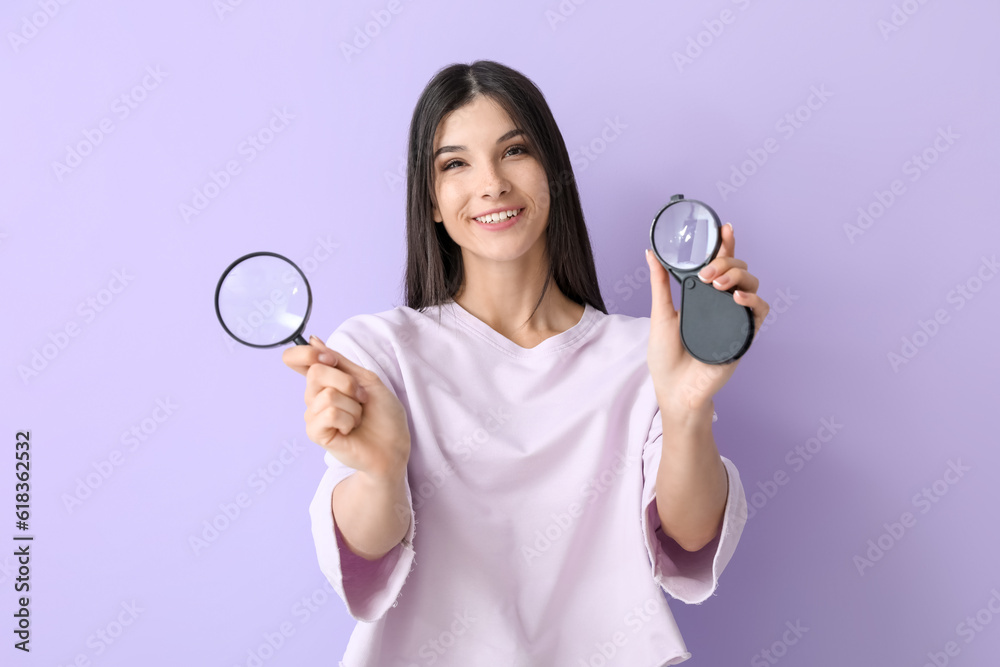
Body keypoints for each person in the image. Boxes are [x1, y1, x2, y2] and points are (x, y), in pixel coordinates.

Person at [282, 59, 770, 666]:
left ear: (553, 174)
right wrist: (383, 470)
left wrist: (686, 408)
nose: (491, 184)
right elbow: (364, 553)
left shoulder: (645, 353)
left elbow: (691, 536)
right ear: (431, 201)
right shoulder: (380, 353)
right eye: (455, 164)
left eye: (514, 151)